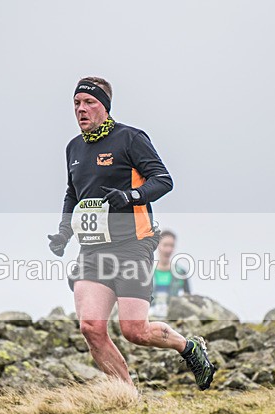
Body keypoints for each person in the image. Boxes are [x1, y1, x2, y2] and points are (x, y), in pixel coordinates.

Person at [46, 76, 216, 391]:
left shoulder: (130, 139)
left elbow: (163, 180)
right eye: (76, 104)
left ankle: (189, 347)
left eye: (89, 103)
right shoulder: (73, 148)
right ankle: (127, 396)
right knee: (91, 327)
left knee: (134, 330)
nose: (81, 110)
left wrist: (131, 196)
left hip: (132, 245)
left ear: (105, 107)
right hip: (93, 249)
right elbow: (74, 194)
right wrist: (63, 232)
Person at [150, 230, 191, 318]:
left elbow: (188, 299)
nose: (168, 249)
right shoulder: (146, 272)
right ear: (157, 245)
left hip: (172, 319)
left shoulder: (181, 273)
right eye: (165, 245)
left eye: (171, 246)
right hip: (150, 318)